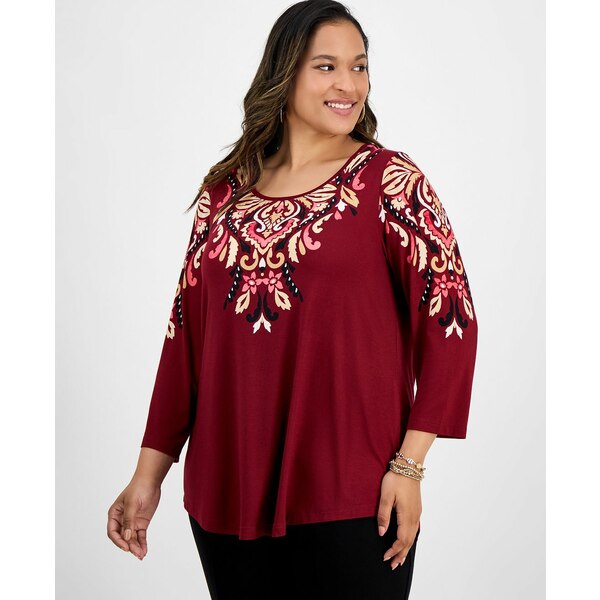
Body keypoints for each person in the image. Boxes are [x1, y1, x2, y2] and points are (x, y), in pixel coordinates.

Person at [106, 1, 479, 598]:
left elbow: (451, 318)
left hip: (353, 492)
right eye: (326, 66)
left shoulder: (389, 182)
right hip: (226, 493)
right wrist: (147, 477)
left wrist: (410, 465)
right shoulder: (224, 192)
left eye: (359, 67)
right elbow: (185, 339)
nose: (348, 84)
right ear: (284, 74)